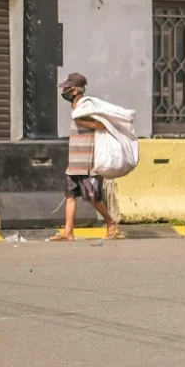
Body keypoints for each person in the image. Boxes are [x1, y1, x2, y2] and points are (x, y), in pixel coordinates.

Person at [51, 73, 121, 241]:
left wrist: (83, 123)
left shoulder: (87, 105)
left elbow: (103, 124)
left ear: (75, 90)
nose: (64, 92)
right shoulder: (75, 106)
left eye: (67, 88)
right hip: (74, 161)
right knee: (70, 197)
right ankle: (68, 231)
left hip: (87, 162)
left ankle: (111, 223)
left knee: (92, 198)